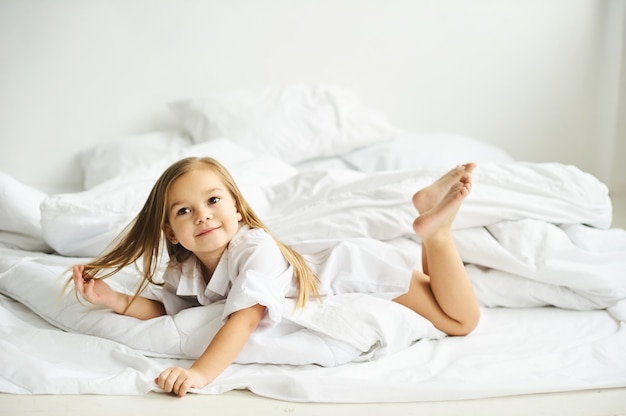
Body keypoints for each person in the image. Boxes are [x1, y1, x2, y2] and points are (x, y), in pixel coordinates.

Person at [71, 157, 480, 397]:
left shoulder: (254, 247)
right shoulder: (184, 268)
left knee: (460, 320)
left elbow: (244, 318)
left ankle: (437, 233)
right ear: (169, 231)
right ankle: (429, 211)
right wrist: (113, 300)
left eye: (213, 200)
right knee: (439, 294)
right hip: (344, 267)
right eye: (184, 211)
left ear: (236, 206)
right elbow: (166, 309)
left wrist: (199, 374)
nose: (203, 215)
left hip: (354, 271)